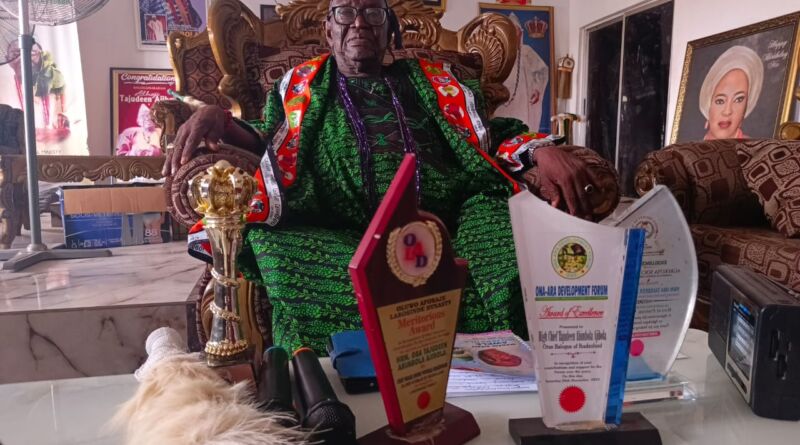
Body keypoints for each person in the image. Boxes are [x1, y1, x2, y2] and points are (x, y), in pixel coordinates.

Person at [165, 0, 599, 353]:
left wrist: (543, 150)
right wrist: (219, 118)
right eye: (345, 12)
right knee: (272, 244)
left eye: (373, 13)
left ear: (391, 31)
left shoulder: (433, 82)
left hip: (451, 221)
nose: (359, 23)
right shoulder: (302, 86)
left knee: (507, 238)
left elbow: (485, 135)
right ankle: (343, 370)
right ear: (329, 30)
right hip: (340, 232)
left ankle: (503, 362)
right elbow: (272, 140)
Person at [495, 13, 550, 132]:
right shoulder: (497, 52)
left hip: (521, 98)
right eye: (510, 32)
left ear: (520, 34)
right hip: (501, 100)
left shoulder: (526, 52)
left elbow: (542, 71)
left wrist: (536, 89)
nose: (514, 36)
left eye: (517, 32)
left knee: (521, 128)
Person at [698, 45, 763, 140]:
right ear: (708, 104)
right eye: (720, 101)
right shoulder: (689, 147)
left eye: (738, 99)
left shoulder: (755, 148)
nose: (727, 111)